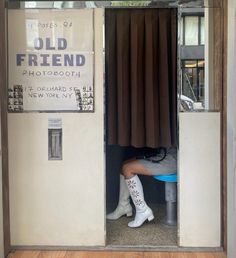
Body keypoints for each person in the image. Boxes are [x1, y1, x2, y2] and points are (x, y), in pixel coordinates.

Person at [107, 147, 177, 228]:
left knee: (127, 169)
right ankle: (123, 206)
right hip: (163, 154)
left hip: (171, 159)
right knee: (125, 164)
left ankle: (142, 210)